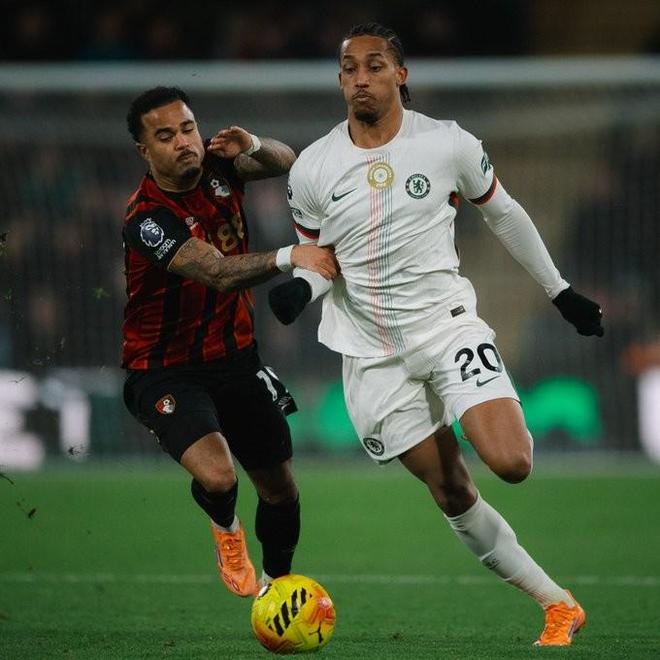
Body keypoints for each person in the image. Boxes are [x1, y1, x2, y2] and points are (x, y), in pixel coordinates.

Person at [269, 24, 603, 646]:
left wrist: (559, 291)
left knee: (512, 463)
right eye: (349, 69)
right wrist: (301, 288)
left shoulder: (448, 143)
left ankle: (467, 400)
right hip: (369, 356)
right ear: (339, 80)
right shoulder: (312, 167)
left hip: (446, 326)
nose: (361, 78)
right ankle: (558, 604)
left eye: (374, 65)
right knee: (450, 488)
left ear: (401, 74)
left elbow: (504, 214)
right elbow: (320, 260)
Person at [121, 86, 338, 599]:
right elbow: (217, 273)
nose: (184, 142)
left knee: (281, 488)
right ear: (145, 150)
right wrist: (289, 256)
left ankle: (277, 588)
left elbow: (288, 161)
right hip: (164, 369)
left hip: (237, 359)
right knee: (220, 477)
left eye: (188, 128)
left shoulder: (220, 168)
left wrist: (254, 144)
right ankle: (226, 528)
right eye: (166, 136)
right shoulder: (146, 219)